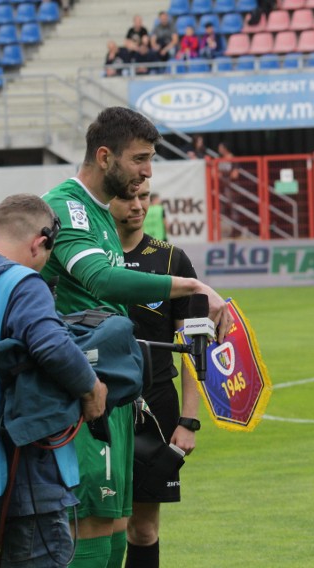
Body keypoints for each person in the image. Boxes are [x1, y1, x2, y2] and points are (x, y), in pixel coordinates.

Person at [41, 106, 232, 568]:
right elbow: (102, 280)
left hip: (114, 391)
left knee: (117, 526)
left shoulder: (103, 216)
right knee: (87, 523)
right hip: (77, 392)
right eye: (141, 158)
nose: (148, 172)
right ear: (105, 157)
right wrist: (193, 286)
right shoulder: (67, 206)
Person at [0, 195, 107, 568]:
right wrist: (92, 389)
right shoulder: (22, 282)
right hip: (21, 480)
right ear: (39, 243)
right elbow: (51, 345)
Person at [109, 181, 201, 568]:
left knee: (143, 528)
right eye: (127, 197)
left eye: (144, 197)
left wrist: (189, 420)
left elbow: (194, 349)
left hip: (157, 409)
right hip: (100, 406)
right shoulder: (88, 258)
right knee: (99, 522)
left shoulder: (172, 260)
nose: (137, 205)